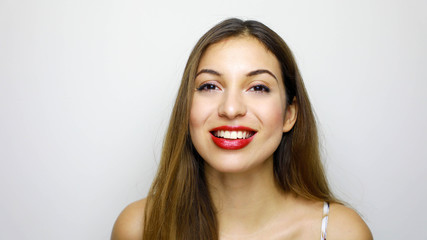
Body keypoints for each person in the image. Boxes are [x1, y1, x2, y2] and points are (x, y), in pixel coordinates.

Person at [111, 18, 372, 240]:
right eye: (210, 86)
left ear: (289, 115)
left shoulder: (340, 232)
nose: (231, 108)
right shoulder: (138, 228)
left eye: (258, 87)